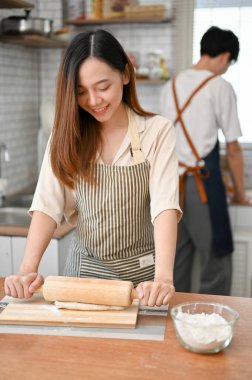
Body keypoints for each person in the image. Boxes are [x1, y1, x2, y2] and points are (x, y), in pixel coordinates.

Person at [4, 30, 182, 306]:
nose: (94, 101)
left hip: (143, 284)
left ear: (125, 74)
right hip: (82, 278)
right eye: (81, 92)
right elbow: (47, 205)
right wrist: (27, 269)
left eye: (102, 87)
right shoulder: (66, 134)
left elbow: (164, 208)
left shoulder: (157, 131)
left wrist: (163, 278)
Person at [160, 26, 250, 296]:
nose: (227, 69)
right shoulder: (220, 86)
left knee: (176, 263)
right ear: (225, 56)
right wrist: (240, 194)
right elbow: (233, 150)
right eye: (229, 63)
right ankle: (210, 330)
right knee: (217, 260)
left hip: (169, 189)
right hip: (202, 188)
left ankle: (172, 329)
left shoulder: (170, 85)